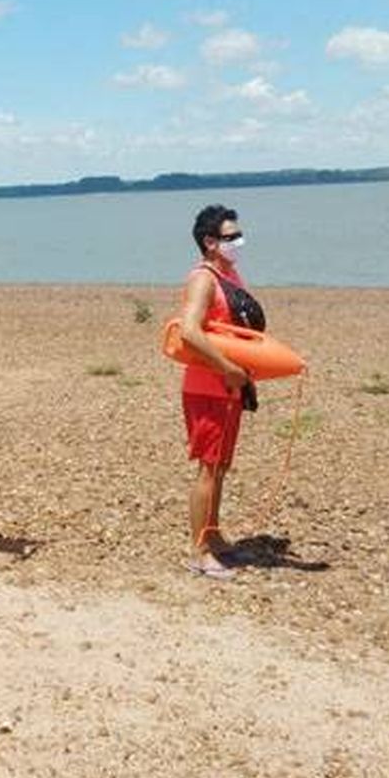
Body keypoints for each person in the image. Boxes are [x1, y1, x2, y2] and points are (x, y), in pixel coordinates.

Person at [178, 204, 256, 581]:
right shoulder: (203, 279)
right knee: (208, 469)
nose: (238, 241)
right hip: (208, 387)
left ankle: (215, 536)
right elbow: (189, 331)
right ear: (210, 242)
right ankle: (200, 551)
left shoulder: (230, 273)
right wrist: (227, 368)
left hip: (231, 387)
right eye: (230, 237)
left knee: (221, 467)